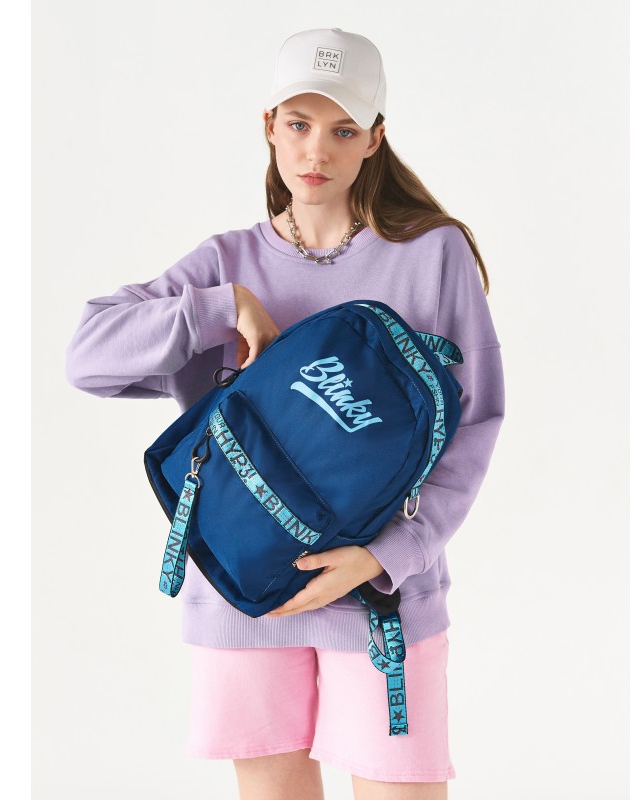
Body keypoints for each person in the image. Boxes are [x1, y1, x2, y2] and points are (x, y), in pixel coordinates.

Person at [66, 27, 504, 800]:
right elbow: (87, 356)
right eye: (298, 124)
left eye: (343, 130)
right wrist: (221, 307)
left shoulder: (431, 255)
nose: (316, 151)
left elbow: (475, 423)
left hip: (378, 596)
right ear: (268, 124)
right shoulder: (226, 263)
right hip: (243, 593)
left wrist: (387, 555)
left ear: (375, 138)